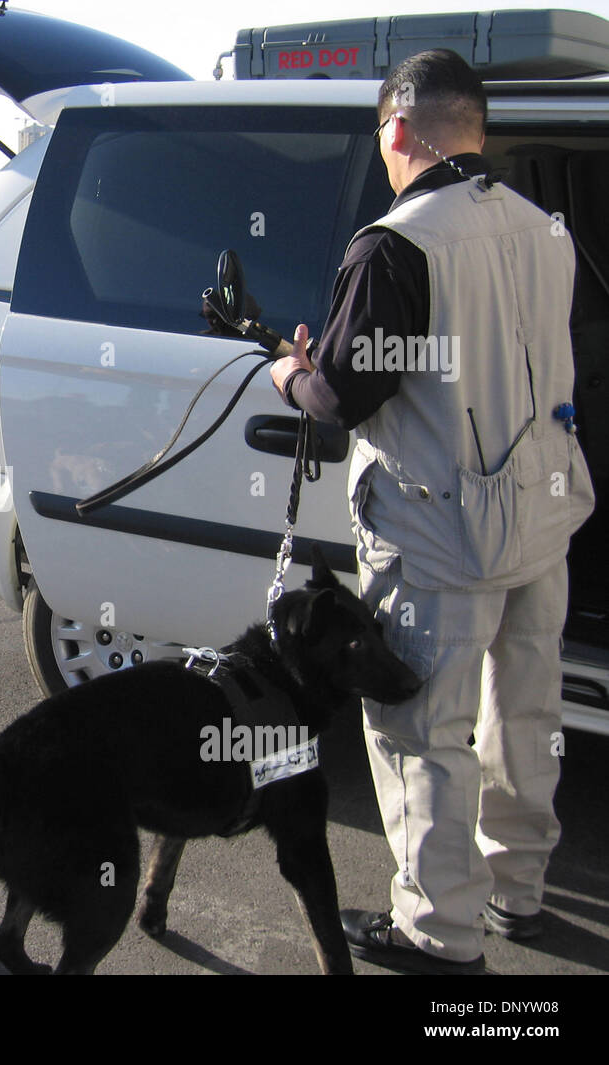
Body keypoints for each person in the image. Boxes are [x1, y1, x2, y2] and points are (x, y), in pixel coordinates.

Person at [270, 49, 594, 974]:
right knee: (523, 714)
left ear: (402, 127)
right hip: (544, 515)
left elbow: (341, 395)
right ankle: (518, 890)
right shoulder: (545, 229)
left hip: (441, 534)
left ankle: (440, 934)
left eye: (380, 132)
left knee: (422, 733)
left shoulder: (398, 244)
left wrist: (291, 369)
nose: (382, 149)